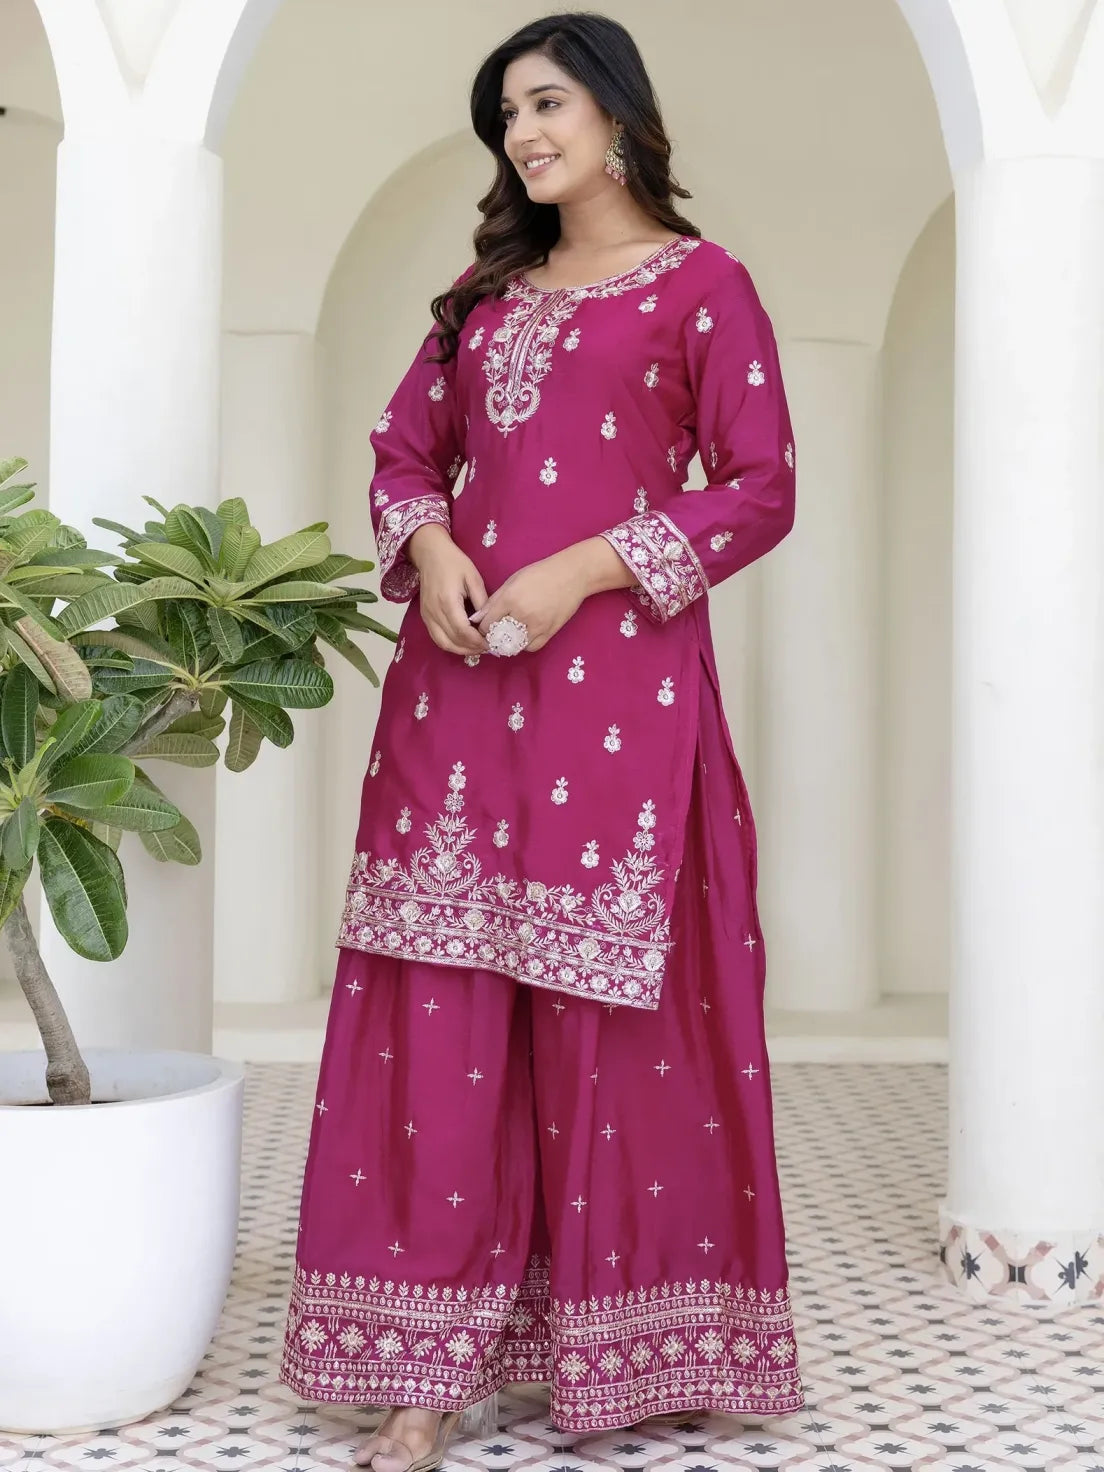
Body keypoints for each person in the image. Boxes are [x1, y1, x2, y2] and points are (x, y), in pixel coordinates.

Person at [279, 11, 804, 1470]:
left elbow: (759, 489)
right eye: (507, 112)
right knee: (435, 1022)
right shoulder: (484, 291)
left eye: (547, 100)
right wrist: (430, 541)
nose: (522, 132)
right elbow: (402, 451)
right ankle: (419, 1381)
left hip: (617, 707)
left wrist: (581, 569)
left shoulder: (706, 289)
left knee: (613, 1021)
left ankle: (628, 1351)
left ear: (620, 113)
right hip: (453, 700)